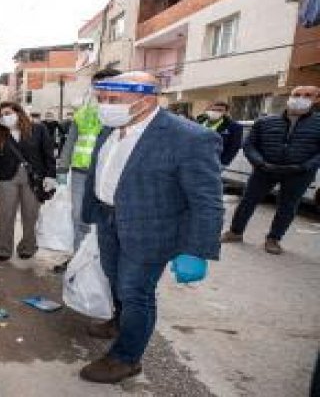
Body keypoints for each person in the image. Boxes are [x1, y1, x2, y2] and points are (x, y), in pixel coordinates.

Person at [79, 71, 224, 384]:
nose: (105, 106)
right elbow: (100, 172)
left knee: (136, 292)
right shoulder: (110, 128)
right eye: (102, 99)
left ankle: (126, 357)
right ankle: (120, 321)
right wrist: (92, 214)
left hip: (150, 230)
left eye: (113, 100)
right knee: (116, 281)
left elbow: (207, 200)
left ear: (146, 100)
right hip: (109, 220)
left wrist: (196, 249)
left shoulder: (189, 137)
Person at [221, 86, 320, 254]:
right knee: (248, 201)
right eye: (297, 94)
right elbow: (249, 144)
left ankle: (273, 239)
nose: (300, 98)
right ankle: (235, 232)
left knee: (287, 206)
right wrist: (260, 163)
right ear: (290, 96)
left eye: (308, 95)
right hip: (265, 170)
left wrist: (305, 166)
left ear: (316, 99)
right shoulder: (266, 121)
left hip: (298, 173)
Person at [54, 68, 122, 274]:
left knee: (110, 220)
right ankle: (77, 261)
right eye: (98, 86)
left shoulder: (124, 111)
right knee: (79, 217)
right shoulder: (83, 112)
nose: (102, 90)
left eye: (108, 85)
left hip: (112, 174)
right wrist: (63, 167)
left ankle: (105, 265)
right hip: (81, 172)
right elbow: (71, 141)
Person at [0, 102, 56, 261]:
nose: (5, 117)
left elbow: (48, 154)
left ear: (18, 112)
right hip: (6, 179)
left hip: (33, 178)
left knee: (30, 214)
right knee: (5, 215)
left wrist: (50, 176)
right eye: (1, 115)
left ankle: (28, 247)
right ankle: (2, 249)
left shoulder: (38, 129)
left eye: (8, 113)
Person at [195, 101, 243, 167]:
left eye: (219, 110)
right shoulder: (198, 122)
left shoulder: (234, 127)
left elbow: (234, 147)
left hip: (214, 162)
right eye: (213, 110)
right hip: (194, 159)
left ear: (225, 112)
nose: (215, 112)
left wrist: (223, 163)